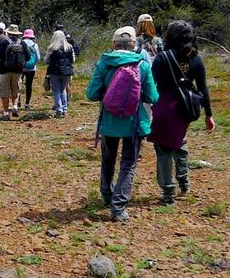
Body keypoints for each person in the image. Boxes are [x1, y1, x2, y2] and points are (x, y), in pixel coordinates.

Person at [86, 26, 159, 222]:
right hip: (135, 123)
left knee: (108, 159)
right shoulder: (142, 65)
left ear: (113, 44)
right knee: (128, 164)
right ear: (133, 44)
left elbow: (91, 94)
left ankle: (107, 195)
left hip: (109, 122)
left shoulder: (104, 63)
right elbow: (153, 96)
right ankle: (119, 207)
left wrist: (107, 94)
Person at [150, 20, 215, 204]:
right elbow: (203, 89)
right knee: (180, 140)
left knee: (163, 148)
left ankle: (168, 191)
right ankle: (184, 180)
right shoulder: (196, 59)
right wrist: (209, 114)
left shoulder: (163, 58)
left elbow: (151, 85)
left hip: (165, 107)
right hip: (186, 108)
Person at [0, 24, 26, 119]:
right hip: (18, 71)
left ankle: (6, 112)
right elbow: (28, 56)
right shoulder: (22, 43)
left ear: (8, 33)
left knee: (4, 92)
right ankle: (15, 106)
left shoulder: (5, 42)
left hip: (5, 70)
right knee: (15, 89)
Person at [45, 30, 74, 117]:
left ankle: (59, 109)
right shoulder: (69, 47)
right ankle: (64, 109)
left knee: (56, 90)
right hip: (66, 71)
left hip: (55, 71)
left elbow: (46, 60)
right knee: (63, 89)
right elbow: (73, 60)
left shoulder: (52, 48)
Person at [21, 29, 41, 110]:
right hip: (32, 68)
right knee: (29, 85)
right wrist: (34, 63)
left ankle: (18, 102)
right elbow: (38, 58)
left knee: (19, 85)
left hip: (21, 67)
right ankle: (27, 104)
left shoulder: (20, 44)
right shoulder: (34, 45)